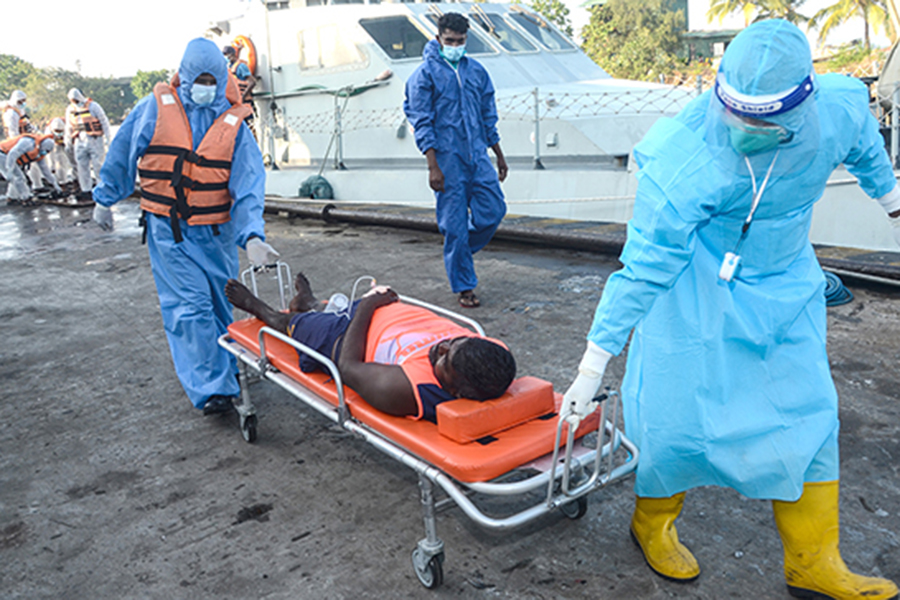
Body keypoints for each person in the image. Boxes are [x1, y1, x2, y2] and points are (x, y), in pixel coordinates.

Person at [561, 20, 899, 600]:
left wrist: (890, 198)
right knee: (674, 415)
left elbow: (866, 143)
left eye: (762, 121)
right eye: (736, 113)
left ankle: (814, 563)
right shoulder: (684, 156)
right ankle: (653, 523)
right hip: (695, 282)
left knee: (810, 410)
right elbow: (643, 266)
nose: (744, 128)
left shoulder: (838, 106)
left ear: (801, 107)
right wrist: (593, 365)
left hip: (787, 279)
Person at [91, 38, 280, 416]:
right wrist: (105, 197)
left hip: (217, 235)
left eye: (215, 78)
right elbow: (123, 151)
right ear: (187, 75)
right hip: (169, 233)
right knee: (189, 310)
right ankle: (213, 390)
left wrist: (253, 236)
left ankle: (229, 373)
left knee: (221, 307)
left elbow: (247, 184)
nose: (207, 86)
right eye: (201, 78)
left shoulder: (234, 123)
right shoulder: (153, 110)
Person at [224, 274, 516, 420]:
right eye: (452, 343)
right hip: (382, 313)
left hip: (345, 336)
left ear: (457, 392)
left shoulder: (408, 388)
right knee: (321, 308)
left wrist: (369, 306)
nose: (441, 348)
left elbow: (348, 368)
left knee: (290, 322)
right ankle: (310, 303)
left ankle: (258, 306)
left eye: (445, 360)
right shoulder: (490, 353)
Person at [403, 12, 508, 309]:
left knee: (494, 210)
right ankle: (464, 285)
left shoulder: (477, 72)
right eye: (449, 40)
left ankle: (457, 252)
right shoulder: (424, 76)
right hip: (447, 160)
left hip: (478, 156)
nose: (455, 45)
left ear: (466, 40)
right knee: (455, 224)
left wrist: (499, 154)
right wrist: (432, 166)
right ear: (438, 39)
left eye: (460, 41)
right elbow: (422, 121)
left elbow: (488, 117)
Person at [65, 88, 111, 202]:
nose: (75, 102)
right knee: (81, 167)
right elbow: (68, 126)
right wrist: (68, 142)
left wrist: (108, 139)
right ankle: (86, 190)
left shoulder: (93, 106)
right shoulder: (70, 109)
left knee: (98, 166)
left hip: (95, 139)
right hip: (79, 140)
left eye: (76, 99)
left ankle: (101, 190)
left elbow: (104, 122)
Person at [0, 133, 62, 204]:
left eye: (48, 151)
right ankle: (26, 198)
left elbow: (45, 170)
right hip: (3, 154)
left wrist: (54, 184)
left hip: (10, 157)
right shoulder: (27, 143)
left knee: (17, 177)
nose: (45, 153)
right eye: (46, 150)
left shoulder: (39, 152)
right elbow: (12, 154)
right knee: (19, 177)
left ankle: (12, 197)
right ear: (42, 145)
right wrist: (9, 170)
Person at [45, 117, 76, 187]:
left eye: (60, 131)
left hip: (65, 143)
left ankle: (64, 180)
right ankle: (54, 180)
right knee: (54, 162)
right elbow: (49, 152)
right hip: (54, 144)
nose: (58, 133)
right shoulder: (48, 131)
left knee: (63, 161)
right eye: (57, 131)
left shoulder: (68, 128)